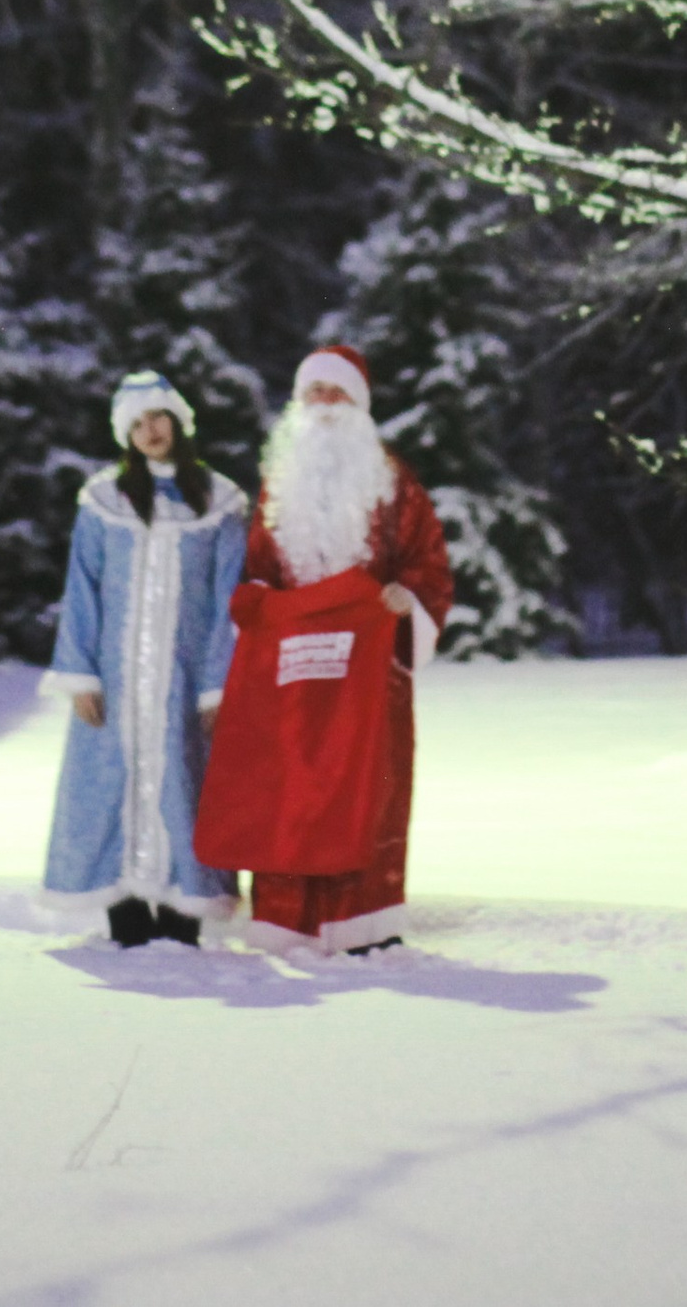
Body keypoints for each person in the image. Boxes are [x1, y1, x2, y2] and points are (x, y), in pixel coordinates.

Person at [211, 344, 453, 955]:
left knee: (367, 787)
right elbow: (258, 568)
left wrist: (409, 599)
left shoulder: (393, 482)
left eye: (336, 392)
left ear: (359, 405)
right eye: (313, 392)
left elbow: (429, 564)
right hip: (294, 674)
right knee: (290, 787)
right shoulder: (278, 486)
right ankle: (287, 921)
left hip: (370, 673)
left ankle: (360, 923)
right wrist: (258, 602)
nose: (324, 405)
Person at [39, 369, 248, 946]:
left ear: (178, 421)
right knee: (112, 787)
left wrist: (217, 686)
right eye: (135, 423)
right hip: (117, 683)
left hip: (184, 683)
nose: (148, 430)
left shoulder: (221, 501)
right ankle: (126, 921)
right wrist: (81, 674)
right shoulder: (103, 501)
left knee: (186, 787)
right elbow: (82, 590)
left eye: (156, 417)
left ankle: (183, 921)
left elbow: (233, 599)